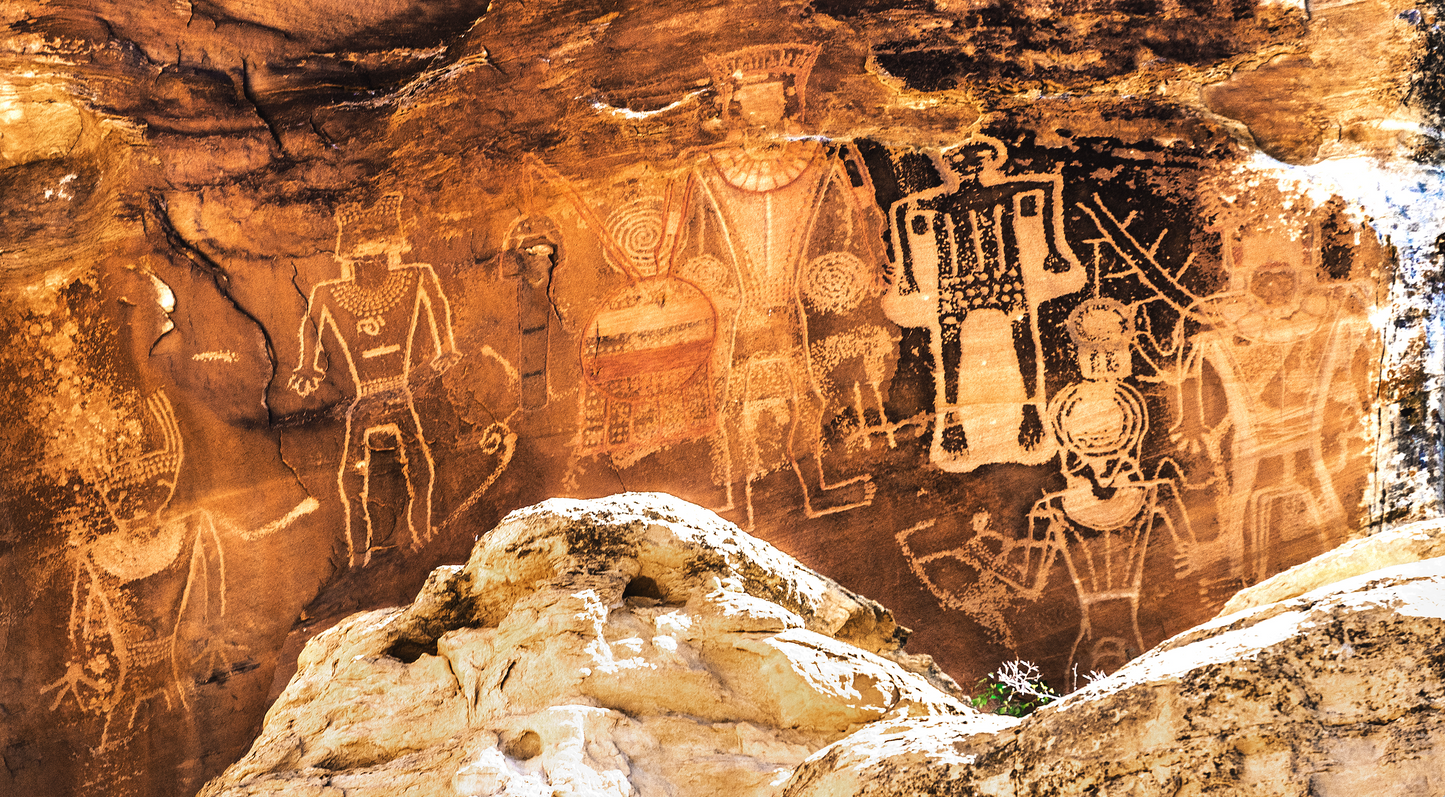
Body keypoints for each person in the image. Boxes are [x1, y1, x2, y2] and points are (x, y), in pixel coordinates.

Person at [289, 194, 461, 567]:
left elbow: (435, 297)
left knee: (421, 466)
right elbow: (311, 321)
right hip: (364, 397)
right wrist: (308, 367)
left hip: (399, 391)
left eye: (378, 258)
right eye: (363, 260)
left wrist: (443, 351)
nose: (371, 266)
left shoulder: (414, 276)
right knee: (351, 478)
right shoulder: (329, 293)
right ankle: (358, 554)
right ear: (350, 260)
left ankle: (422, 537)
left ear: (392, 253)